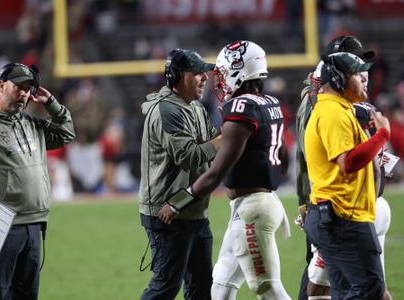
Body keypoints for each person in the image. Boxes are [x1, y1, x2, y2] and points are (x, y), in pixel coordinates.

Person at [158, 40, 291, 300]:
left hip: (252, 209)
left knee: (267, 288)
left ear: (240, 70)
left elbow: (216, 174)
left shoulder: (241, 108)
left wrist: (177, 203)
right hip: (260, 204)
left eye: (222, 72)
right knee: (220, 287)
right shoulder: (269, 103)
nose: (218, 80)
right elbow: (283, 162)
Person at [0, 62, 75, 299]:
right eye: (18, 87)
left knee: (26, 295)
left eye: (28, 89)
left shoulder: (30, 122)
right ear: (1, 86)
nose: (24, 93)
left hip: (34, 222)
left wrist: (52, 104)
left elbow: (66, 134)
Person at [296, 36, 393, 300]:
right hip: (341, 213)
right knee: (367, 289)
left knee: (346, 289)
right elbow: (346, 161)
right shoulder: (330, 110)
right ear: (338, 78)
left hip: (350, 210)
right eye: (356, 71)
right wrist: (382, 135)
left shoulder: (344, 108)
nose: (364, 76)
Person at [138, 48, 221, 300]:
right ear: (176, 76)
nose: (204, 78)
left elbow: (211, 146)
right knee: (165, 286)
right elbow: (190, 156)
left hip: (192, 208)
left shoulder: (194, 107)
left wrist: (221, 142)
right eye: (197, 72)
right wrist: (228, 137)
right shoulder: (169, 110)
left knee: (201, 287)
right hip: (168, 213)